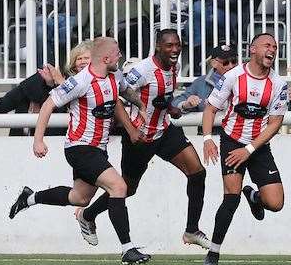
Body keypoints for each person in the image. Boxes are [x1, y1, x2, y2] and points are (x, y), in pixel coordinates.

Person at [8, 37, 151, 265]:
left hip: (97, 149)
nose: (120, 57)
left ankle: (30, 198)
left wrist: (140, 109)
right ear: (106, 58)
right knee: (119, 186)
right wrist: (38, 140)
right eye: (117, 53)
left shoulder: (115, 76)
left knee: (80, 198)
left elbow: (123, 95)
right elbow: (48, 105)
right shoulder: (80, 82)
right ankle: (128, 249)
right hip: (80, 148)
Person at [74, 29, 210, 250]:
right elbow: (115, 95)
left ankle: (191, 229)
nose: (175, 50)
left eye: (178, 45)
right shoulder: (143, 70)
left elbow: (162, 100)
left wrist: (175, 108)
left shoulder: (172, 67)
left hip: (165, 131)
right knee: (127, 188)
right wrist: (130, 127)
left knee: (197, 172)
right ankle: (87, 215)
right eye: (169, 46)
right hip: (140, 137)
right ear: (158, 46)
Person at [202, 33, 288, 265]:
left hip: (257, 146)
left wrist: (249, 149)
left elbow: (276, 122)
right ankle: (213, 253)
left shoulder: (278, 84)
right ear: (253, 49)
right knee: (231, 198)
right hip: (232, 142)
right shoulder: (232, 77)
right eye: (267, 45)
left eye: (275, 46)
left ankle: (254, 195)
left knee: (276, 204)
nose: (272, 49)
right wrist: (208, 138)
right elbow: (210, 109)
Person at [0, 40, 93, 136]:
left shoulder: (100, 81)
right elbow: (8, 101)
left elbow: (74, 106)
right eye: (78, 58)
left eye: (86, 58)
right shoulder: (62, 77)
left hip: (66, 138)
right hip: (28, 137)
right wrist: (50, 84)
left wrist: (58, 83)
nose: (82, 61)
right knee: (37, 80)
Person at [171, 44, 238, 114]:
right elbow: (175, 103)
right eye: (225, 62)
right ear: (213, 63)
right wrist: (186, 104)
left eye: (234, 61)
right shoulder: (200, 82)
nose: (231, 66)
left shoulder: (244, 80)